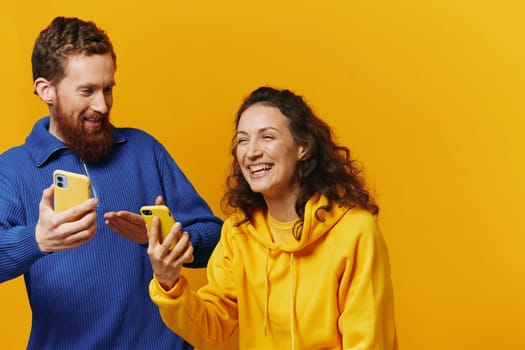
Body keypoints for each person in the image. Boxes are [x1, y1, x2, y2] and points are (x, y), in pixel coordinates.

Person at [0, 16, 222, 349]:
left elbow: (218, 239)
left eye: (108, 89)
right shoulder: (14, 169)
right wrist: (37, 239)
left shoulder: (144, 149)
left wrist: (172, 240)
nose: (102, 105)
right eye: (87, 91)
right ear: (46, 90)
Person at [147, 86, 398, 349]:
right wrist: (169, 281)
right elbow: (213, 329)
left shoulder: (355, 231)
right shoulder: (238, 233)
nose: (252, 152)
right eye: (243, 140)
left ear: (303, 146)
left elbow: (368, 341)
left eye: (267, 137)